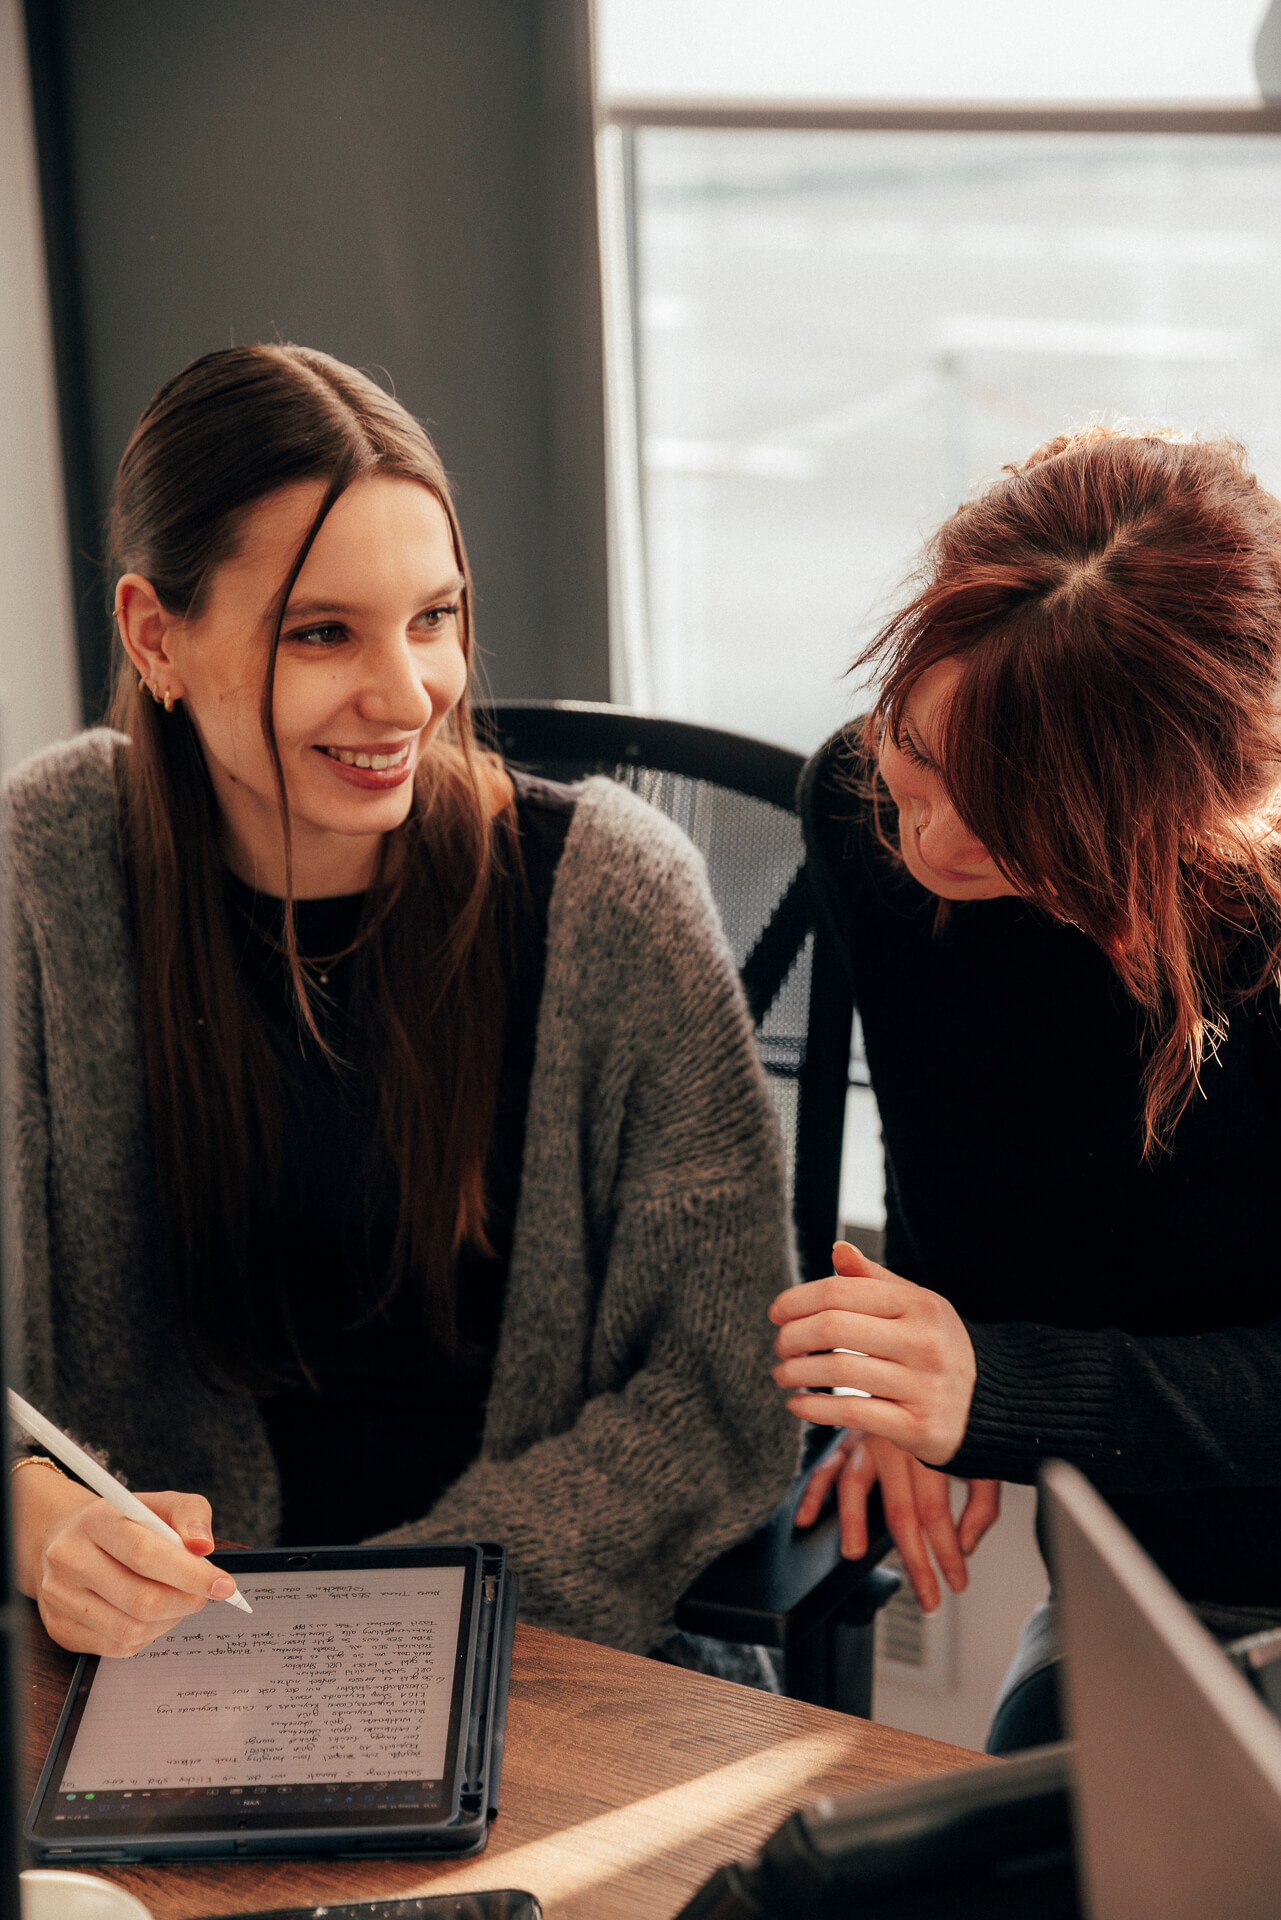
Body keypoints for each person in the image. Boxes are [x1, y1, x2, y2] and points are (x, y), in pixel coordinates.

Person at [6, 343, 798, 1662]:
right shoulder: (50, 863)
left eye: (433, 618)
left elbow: (716, 1394)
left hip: (536, 1646)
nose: (408, 692)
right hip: (154, 1658)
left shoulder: (611, 894)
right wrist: (37, 1520)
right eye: (324, 632)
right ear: (157, 636)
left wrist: (390, 1620)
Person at [770, 424, 1281, 1750]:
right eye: (920, 750)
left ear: (1176, 816)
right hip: (1143, 1584)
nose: (929, 834)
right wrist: (909, 1365)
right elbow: (963, 1148)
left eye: (1013, 817)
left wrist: (987, 1393)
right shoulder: (862, 821)